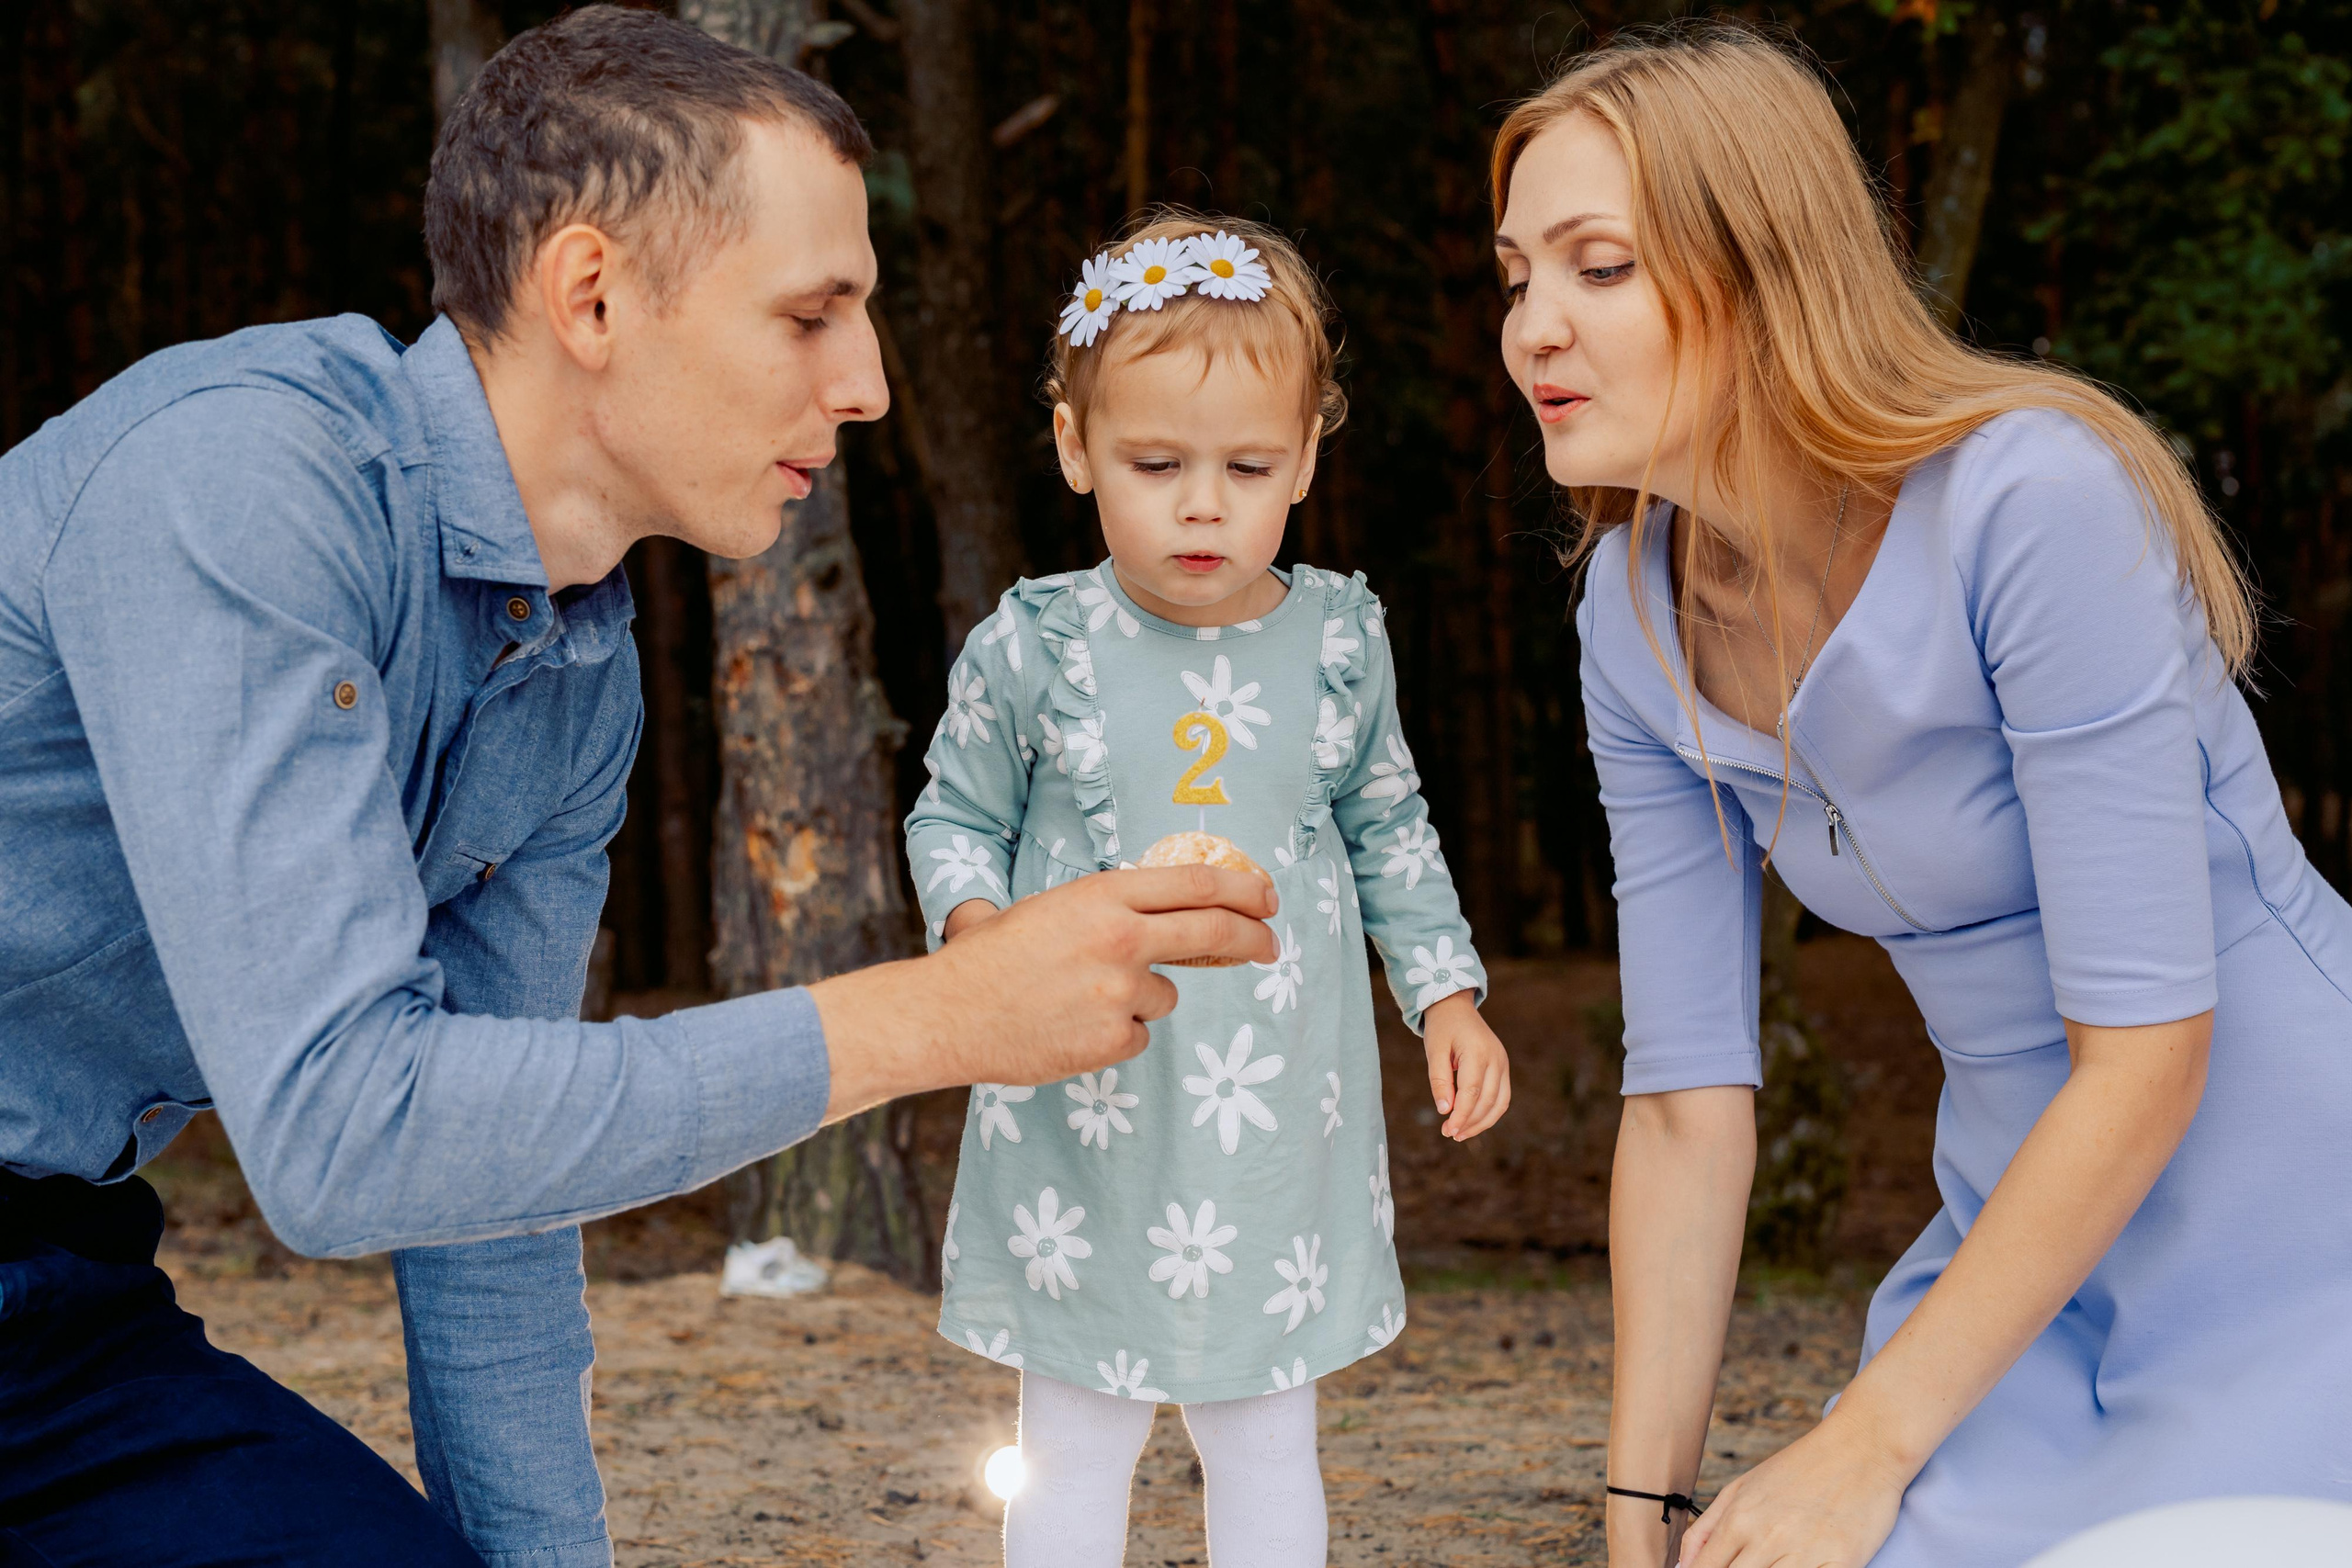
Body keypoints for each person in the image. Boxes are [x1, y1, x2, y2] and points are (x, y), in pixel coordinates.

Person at [0, 11, 1275, 1567]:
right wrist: (940, 1018)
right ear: (593, 293)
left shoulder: (572, 673)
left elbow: (488, 1209)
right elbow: (341, 1136)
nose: (868, 383)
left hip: (56, 1312)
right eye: (813, 317)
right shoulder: (242, 489)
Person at [1491, 23, 2352, 1568]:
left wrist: (1865, 1441)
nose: (1533, 329)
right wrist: (1643, 1506)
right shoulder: (1626, 619)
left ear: (1767, 271)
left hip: (2294, 1208)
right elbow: (1689, 1102)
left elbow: (2150, 1054)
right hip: (2017, 1266)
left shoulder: (2034, 501)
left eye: (1597, 268)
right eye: (1515, 277)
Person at [904, 214, 1513, 1568]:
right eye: (1155, 463)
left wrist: (1448, 995)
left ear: (1305, 456)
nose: (1201, 504)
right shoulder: (1038, 643)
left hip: (1276, 1123)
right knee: (1073, 1432)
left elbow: (1389, 825)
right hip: (1080, 1113)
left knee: (1262, 1431)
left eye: (1246, 466)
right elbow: (954, 811)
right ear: (1074, 448)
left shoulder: (1339, 641)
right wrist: (983, 938)